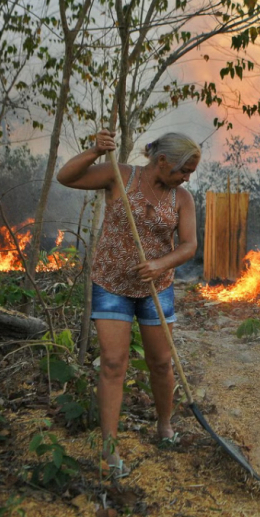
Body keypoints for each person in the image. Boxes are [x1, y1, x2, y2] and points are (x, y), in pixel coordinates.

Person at [57, 129, 200, 478]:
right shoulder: (120, 176)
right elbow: (66, 177)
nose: (186, 177)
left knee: (161, 362)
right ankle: (109, 449)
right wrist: (94, 150)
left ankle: (164, 425)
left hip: (156, 288)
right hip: (111, 283)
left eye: (191, 173)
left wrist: (160, 264)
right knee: (112, 363)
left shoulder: (182, 198)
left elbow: (189, 245)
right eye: (183, 170)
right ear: (162, 160)